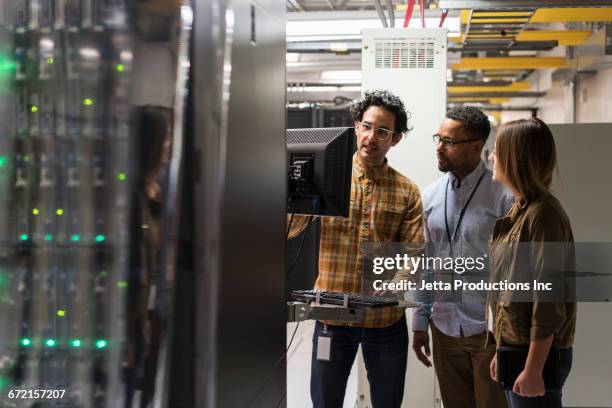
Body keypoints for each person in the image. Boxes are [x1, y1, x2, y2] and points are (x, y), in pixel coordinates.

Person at [288, 90, 424, 407]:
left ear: (396, 139)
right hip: (331, 319)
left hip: (385, 323)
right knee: (325, 402)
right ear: (356, 126)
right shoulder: (326, 176)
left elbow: (414, 254)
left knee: (388, 402)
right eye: (366, 126)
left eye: (382, 131)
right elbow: (289, 231)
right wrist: (295, 193)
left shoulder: (407, 190)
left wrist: (396, 285)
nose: (371, 137)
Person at [411, 107, 513, 408]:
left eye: (448, 142)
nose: (439, 148)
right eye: (438, 139)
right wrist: (419, 322)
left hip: (489, 332)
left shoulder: (503, 196)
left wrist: (508, 333)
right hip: (444, 329)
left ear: (475, 146)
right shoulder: (430, 197)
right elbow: (427, 265)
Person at [487, 117, 576, 408]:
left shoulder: (543, 215)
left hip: (536, 355)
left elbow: (547, 299)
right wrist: (502, 350)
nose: (491, 158)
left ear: (516, 159)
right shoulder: (521, 209)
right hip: (517, 348)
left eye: (497, 151)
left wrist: (534, 368)